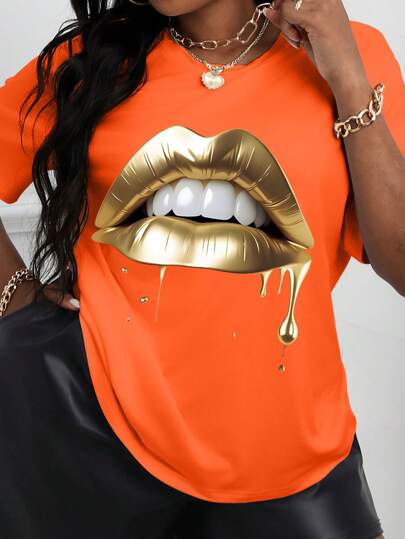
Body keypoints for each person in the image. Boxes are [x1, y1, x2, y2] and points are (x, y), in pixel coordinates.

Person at [0, 0, 404, 536]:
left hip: (293, 464)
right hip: (85, 443)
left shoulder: (353, 53)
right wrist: (15, 292)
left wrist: (349, 78)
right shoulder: (93, 59)